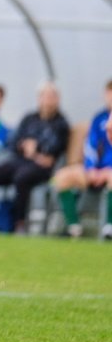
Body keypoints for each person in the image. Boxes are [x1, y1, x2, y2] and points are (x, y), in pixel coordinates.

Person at [0, 81, 71, 234]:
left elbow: (54, 151)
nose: (48, 100)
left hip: (43, 169)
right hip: (20, 161)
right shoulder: (29, 118)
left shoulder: (61, 123)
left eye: (52, 96)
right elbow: (14, 142)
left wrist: (35, 149)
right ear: (39, 98)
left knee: (21, 178)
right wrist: (25, 148)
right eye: (45, 96)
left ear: (57, 99)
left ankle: (19, 223)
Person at [52, 79, 112, 240]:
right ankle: (74, 227)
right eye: (109, 93)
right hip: (94, 170)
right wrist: (91, 168)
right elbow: (90, 145)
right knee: (62, 177)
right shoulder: (99, 117)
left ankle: (109, 228)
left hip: (109, 171)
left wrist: (108, 169)